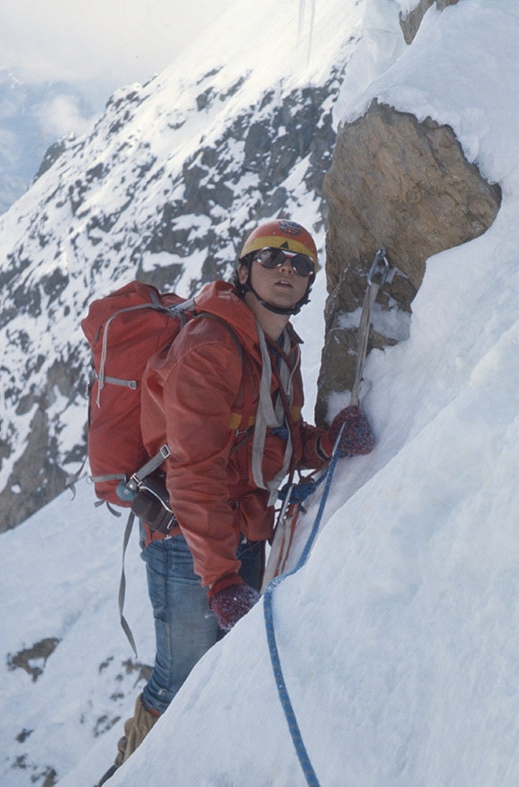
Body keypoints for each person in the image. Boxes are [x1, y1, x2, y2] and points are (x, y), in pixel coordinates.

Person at [97, 219, 375, 785]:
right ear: (244, 271)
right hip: (186, 542)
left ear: (309, 284)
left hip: (242, 530)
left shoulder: (277, 346)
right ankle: (131, 773)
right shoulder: (209, 346)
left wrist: (323, 442)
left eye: (300, 264)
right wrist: (220, 578)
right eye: (272, 257)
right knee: (180, 681)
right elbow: (193, 472)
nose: (286, 270)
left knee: (217, 675)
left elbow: (266, 439)